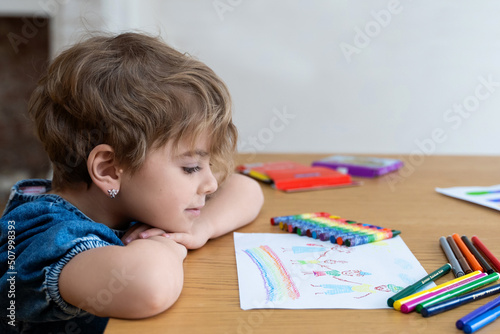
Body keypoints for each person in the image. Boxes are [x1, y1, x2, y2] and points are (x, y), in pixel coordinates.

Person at [0, 32, 264, 333]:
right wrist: (166, 245)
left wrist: (198, 229)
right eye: (191, 168)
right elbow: (150, 287)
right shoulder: (47, 240)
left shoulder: (120, 197)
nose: (211, 184)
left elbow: (245, 189)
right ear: (110, 170)